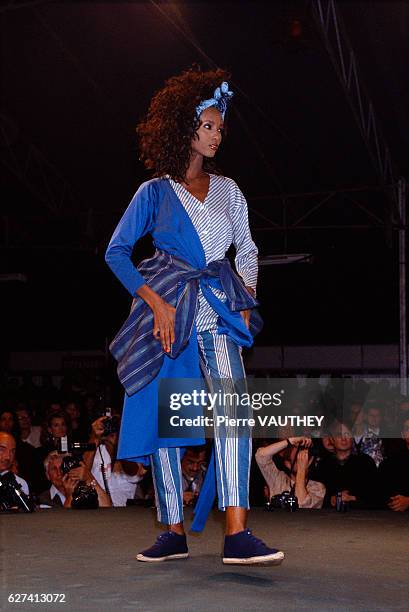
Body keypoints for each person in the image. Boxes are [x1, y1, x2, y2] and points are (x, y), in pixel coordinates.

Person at [105, 67, 284, 566]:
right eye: (208, 126)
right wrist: (156, 302)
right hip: (170, 321)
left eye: (220, 128)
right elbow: (116, 253)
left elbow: (246, 248)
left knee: (234, 416)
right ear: (183, 129)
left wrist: (247, 296)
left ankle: (237, 533)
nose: (216, 135)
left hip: (221, 317)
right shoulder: (153, 192)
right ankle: (173, 531)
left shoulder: (229, 190)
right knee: (168, 426)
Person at [314, 420, 379, 508]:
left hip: (360, 516)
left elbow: (375, 495)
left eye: (347, 434)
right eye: (339, 435)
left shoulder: (365, 462)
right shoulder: (323, 464)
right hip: (329, 517)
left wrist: (352, 498)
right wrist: (331, 499)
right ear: (332, 439)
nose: (343, 438)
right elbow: (316, 495)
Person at [256, 437, 325, 509]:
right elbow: (260, 456)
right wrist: (289, 441)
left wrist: (301, 470)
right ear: (288, 464)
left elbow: (300, 504)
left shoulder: (318, 488)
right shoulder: (279, 479)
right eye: (298, 459)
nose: (303, 460)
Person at [378, 411, 409, 512]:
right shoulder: (390, 464)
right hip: (393, 520)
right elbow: (381, 494)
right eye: (408, 429)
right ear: (403, 434)